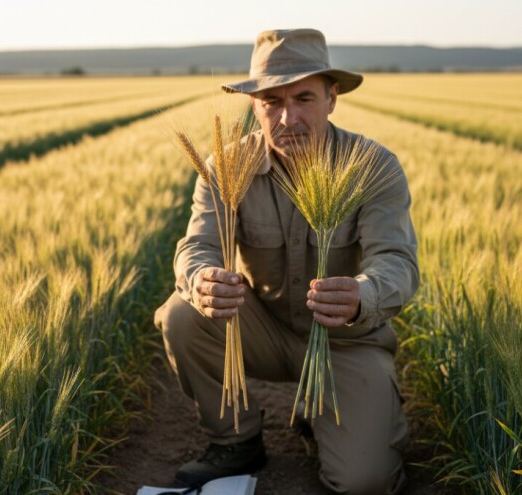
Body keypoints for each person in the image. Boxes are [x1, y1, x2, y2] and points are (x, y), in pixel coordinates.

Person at [154, 28, 420, 494]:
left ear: (332, 98)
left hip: (346, 340)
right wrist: (202, 280)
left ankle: (324, 414)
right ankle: (236, 440)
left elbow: (397, 262)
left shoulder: (373, 167)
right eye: (271, 102)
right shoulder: (225, 168)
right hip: (264, 330)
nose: (287, 117)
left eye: (303, 98)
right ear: (253, 105)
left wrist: (363, 295)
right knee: (182, 314)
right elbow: (197, 246)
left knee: (366, 482)